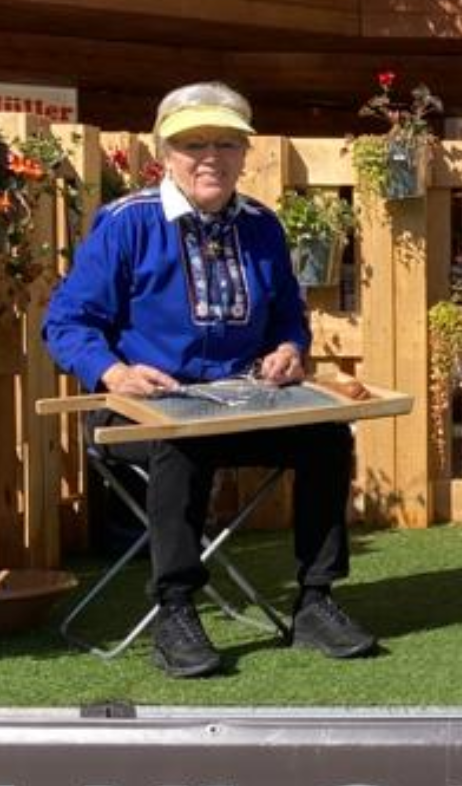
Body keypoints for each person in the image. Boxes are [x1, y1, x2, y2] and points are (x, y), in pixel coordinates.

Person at [44, 82, 376, 679]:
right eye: (193, 143)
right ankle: (175, 610)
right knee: (181, 443)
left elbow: (286, 316)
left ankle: (316, 601)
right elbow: (66, 322)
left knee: (327, 437)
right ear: (164, 153)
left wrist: (288, 348)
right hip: (139, 411)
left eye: (226, 143)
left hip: (240, 404)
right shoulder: (126, 225)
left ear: (245, 154)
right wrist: (114, 370)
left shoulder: (262, 226)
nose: (210, 157)